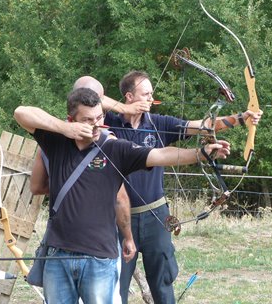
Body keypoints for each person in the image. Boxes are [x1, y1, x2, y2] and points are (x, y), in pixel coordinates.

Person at [14, 87, 230, 304]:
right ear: (73, 120)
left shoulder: (115, 149)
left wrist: (200, 154)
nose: (97, 124)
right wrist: (64, 129)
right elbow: (21, 112)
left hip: (99, 257)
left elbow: (160, 154)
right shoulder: (57, 142)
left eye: (100, 117)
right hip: (58, 254)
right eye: (88, 120)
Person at [104, 70, 263, 304]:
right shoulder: (108, 124)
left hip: (156, 216)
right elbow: (87, 94)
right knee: (115, 286)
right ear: (128, 96)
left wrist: (241, 118)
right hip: (116, 218)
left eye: (151, 94)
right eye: (145, 94)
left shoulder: (159, 123)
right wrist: (123, 110)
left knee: (162, 282)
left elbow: (201, 126)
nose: (150, 98)